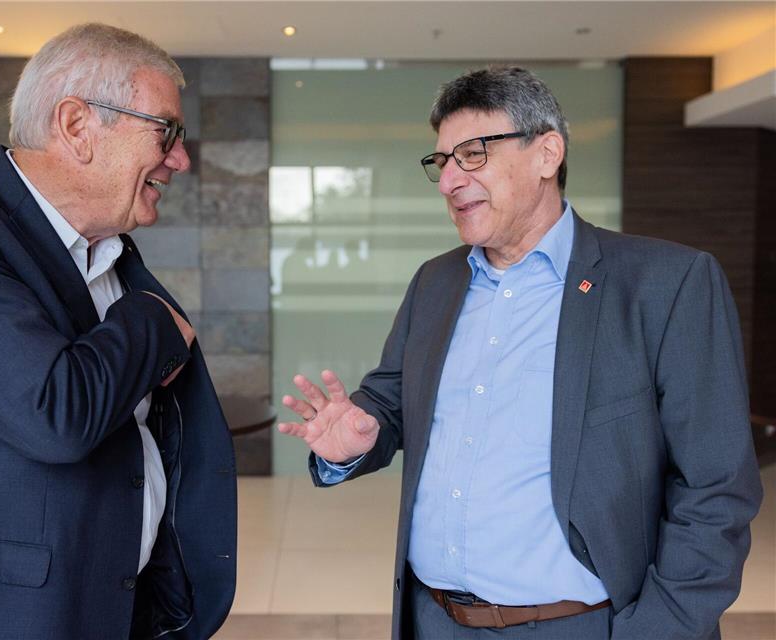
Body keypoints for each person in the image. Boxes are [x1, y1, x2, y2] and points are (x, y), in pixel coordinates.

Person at [278, 66, 762, 640]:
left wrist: (660, 629)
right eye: (441, 162)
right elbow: (390, 399)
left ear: (547, 153)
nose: (450, 180)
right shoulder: (436, 281)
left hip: (586, 626)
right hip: (434, 619)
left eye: (473, 153)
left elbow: (716, 486)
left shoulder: (666, 283)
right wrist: (359, 435)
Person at [0, 23, 236, 639]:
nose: (180, 158)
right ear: (76, 126)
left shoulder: (111, 251)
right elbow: (52, 411)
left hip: (116, 607)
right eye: (166, 131)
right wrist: (154, 322)